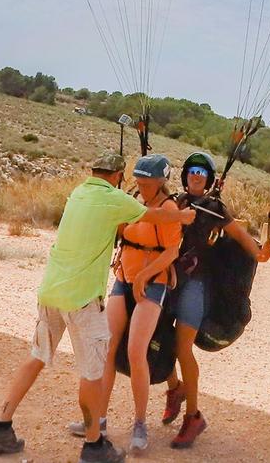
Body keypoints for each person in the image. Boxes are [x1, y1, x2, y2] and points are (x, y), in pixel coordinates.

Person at [0, 151, 193, 461]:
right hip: (82, 299)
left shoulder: (78, 192)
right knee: (93, 372)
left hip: (51, 290)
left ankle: (0, 427)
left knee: (37, 357)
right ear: (118, 177)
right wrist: (185, 217)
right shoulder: (115, 200)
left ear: (94, 171)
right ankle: (94, 445)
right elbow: (156, 216)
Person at [160, 151, 270, 450]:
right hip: (167, 278)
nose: (196, 175)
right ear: (185, 175)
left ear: (208, 179)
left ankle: (193, 417)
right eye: (192, 170)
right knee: (156, 337)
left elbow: (240, 235)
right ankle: (175, 388)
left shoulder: (215, 209)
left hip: (194, 286)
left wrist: (259, 253)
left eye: (202, 171)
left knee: (183, 348)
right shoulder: (176, 201)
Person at [101, 153, 182, 452]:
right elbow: (121, 236)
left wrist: (144, 276)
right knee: (107, 346)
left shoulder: (169, 208)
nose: (142, 186)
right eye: (139, 181)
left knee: (137, 351)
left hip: (153, 284)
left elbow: (171, 251)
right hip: (124, 279)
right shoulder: (133, 202)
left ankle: (139, 423)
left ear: (161, 182)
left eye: (147, 182)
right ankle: (97, 420)